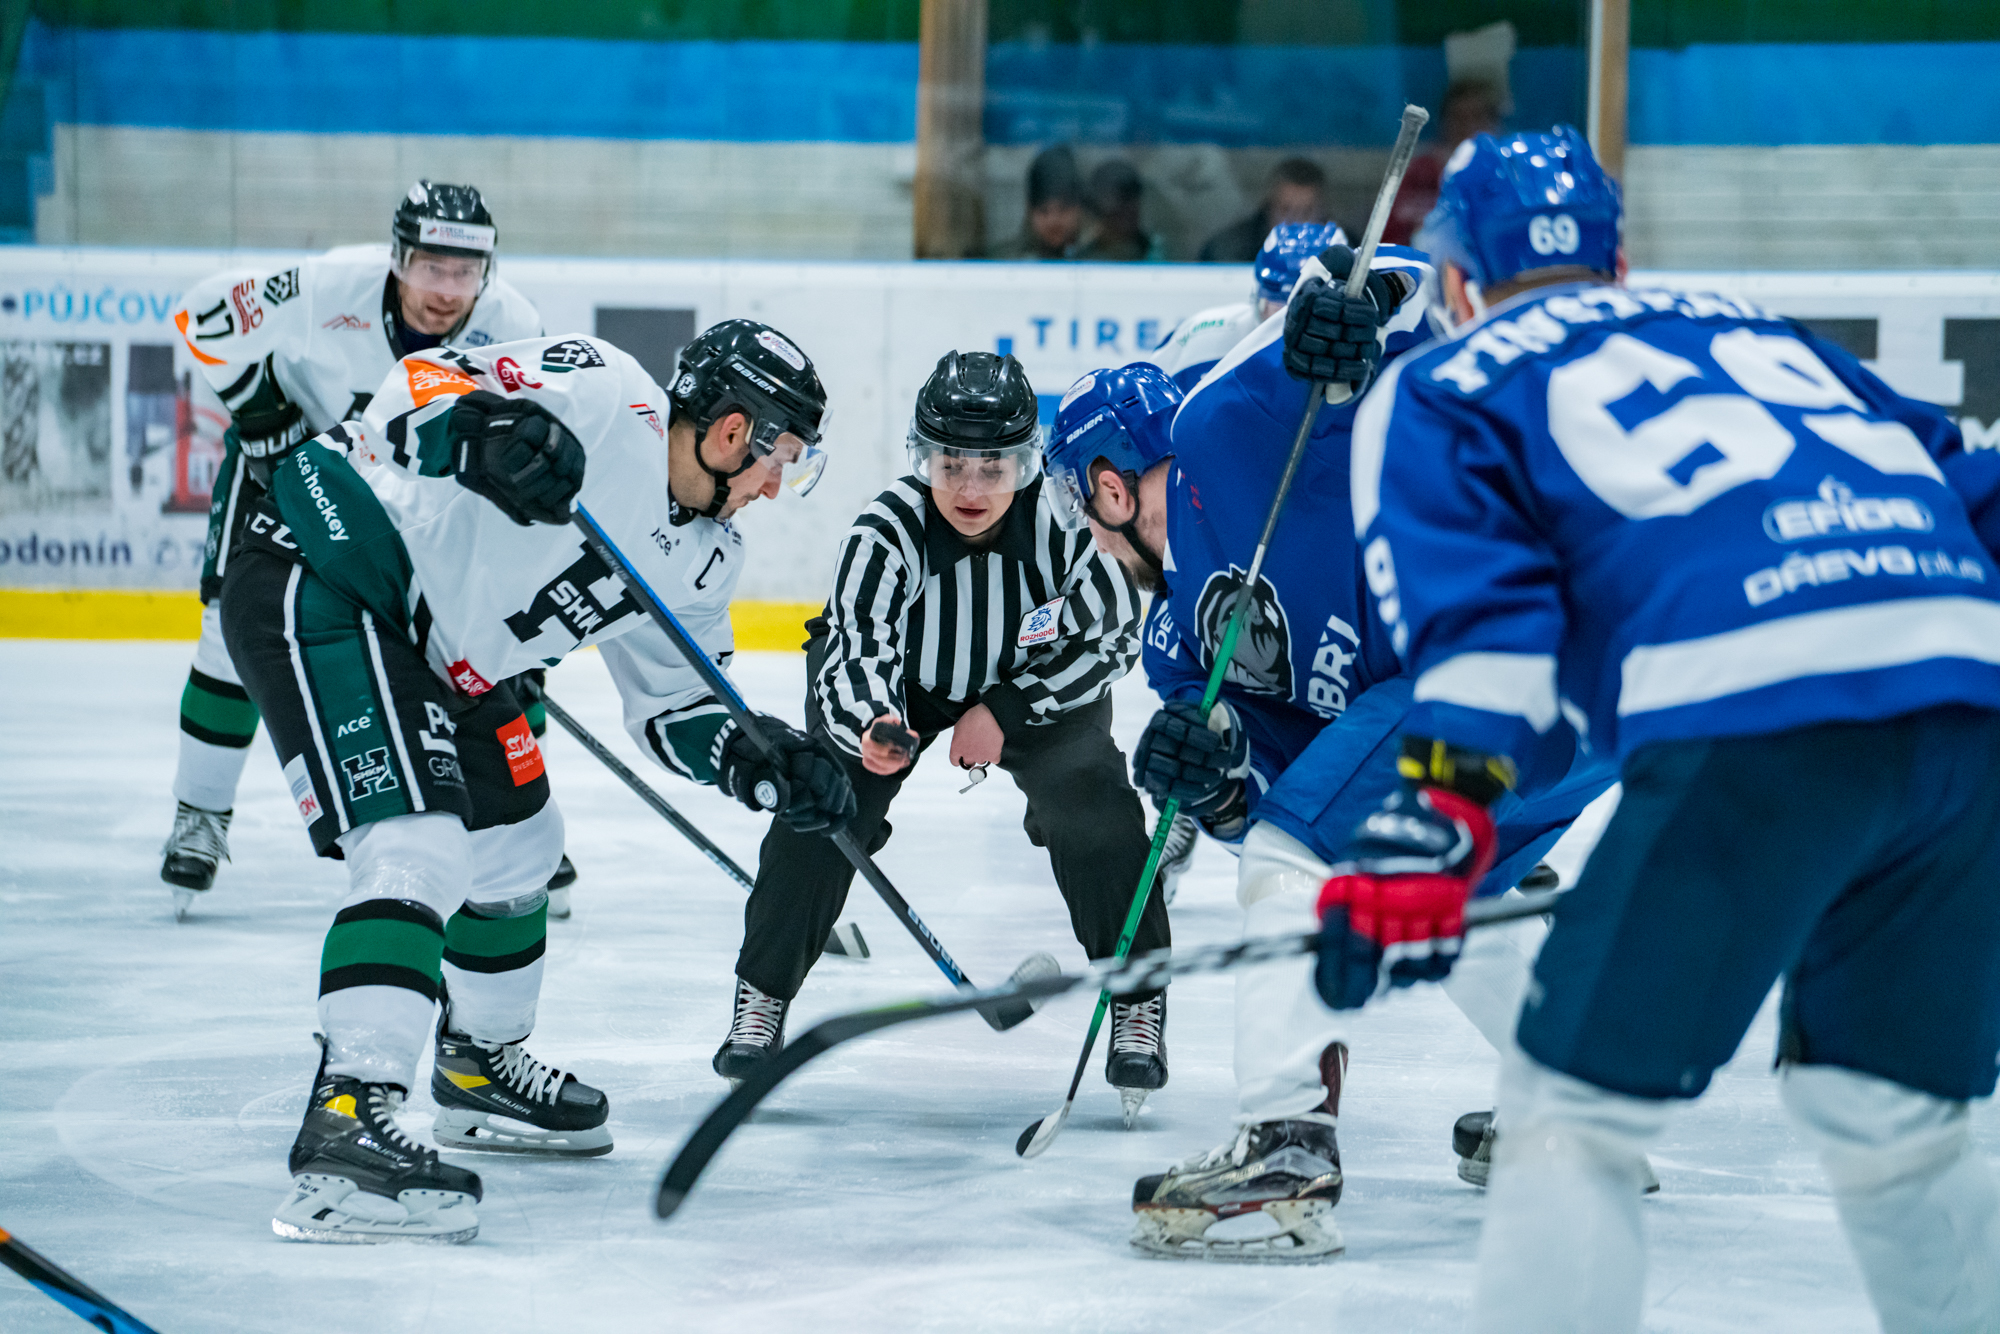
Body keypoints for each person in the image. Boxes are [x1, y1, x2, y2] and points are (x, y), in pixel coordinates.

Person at [1321, 126, 2000, 1331]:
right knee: (1891, 1115)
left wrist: (1437, 814)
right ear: (1619, 260)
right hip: (1964, 702)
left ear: (1460, 280)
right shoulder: (1752, 328)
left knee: (1568, 1114)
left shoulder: (1445, 381)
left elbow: (1489, 634)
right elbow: (1968, 480)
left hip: (1754, 711)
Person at [213, 319, 853, 1243]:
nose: (776, 482)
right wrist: (478, 431)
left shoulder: (709, 557)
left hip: (447, 654)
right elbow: (412, 390)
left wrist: (758, 760)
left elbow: (673, 710)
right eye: (779, 455)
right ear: (731, 431)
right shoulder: (603, 392)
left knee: (520, 851)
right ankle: (346, 1122)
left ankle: (475, 1065)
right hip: (330, 568)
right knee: (416, 844)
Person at [1044, 249, 1612, 1261]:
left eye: (1078, 507)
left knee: (1294, 854)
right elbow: (1263, 793)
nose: (1084, 533)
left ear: (1106, 484)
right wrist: (1208, 779)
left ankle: (1281, 1156)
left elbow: (1380, 273)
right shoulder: (1177, 643)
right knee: (1450, 892)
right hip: (1552, 694)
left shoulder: (1220, 428)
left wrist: (1338, 317)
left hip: (1513, 650)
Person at [716, 350, 1174, 1123]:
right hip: (902, 692)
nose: (969, 489)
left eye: (993, 468)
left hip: (1033, 688)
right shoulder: (884, 531)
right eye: (950, 464)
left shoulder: (1066, 526)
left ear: (1027, 465)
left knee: (1097, 810)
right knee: (820, 813)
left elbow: (1108, 643)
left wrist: (1007, 710)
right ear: (922, 457)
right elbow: (856, 649)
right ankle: (760, 998)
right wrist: (873, 725)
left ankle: (1137, 1002)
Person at [160, 182, 556, 916]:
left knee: (494, 650)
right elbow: (200, 315)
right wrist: (262, 412)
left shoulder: (512, 323)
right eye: (430, 267)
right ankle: (200, 814)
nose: (447, 291)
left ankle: (516, 822)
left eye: (465, 272)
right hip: (285, 477)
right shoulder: (327, 285)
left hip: (404, 501)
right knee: (226, 639)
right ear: (398, 258)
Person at [1152, 221, 1347, 393]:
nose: (1290, 320)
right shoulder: (1201, 340)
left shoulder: (1358, 360)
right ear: (1259, 297)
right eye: (1279, 305)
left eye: (1308, 309)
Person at [1384, 79, 1504, 247]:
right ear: (1443, 123)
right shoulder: (1420, 174)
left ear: (1495, 124)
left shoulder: (1507, 174)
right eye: (1459, 119)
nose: (1469, 127)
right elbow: (1389, 240)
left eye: (1478, 117)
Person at [1198, 157, 1327, 264]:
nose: (1295, 222)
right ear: (1269, 208)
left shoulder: (1343, 253)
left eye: (1306, 212)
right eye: (1285, 210)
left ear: (1322, 212)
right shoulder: (1226, 251)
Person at [990, 145, 1084, 261]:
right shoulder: (1003, 261)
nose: (1053, 220)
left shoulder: (1101, 260)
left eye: (1063, 209)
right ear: (1029, 209)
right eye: (1043, 210)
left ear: (1079, 207)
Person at [1079, 159, 1165, 263]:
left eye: (1133, 198)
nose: (1129, 209)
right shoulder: (1079, 260)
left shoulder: (1159, 254)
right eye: (1121, 200)